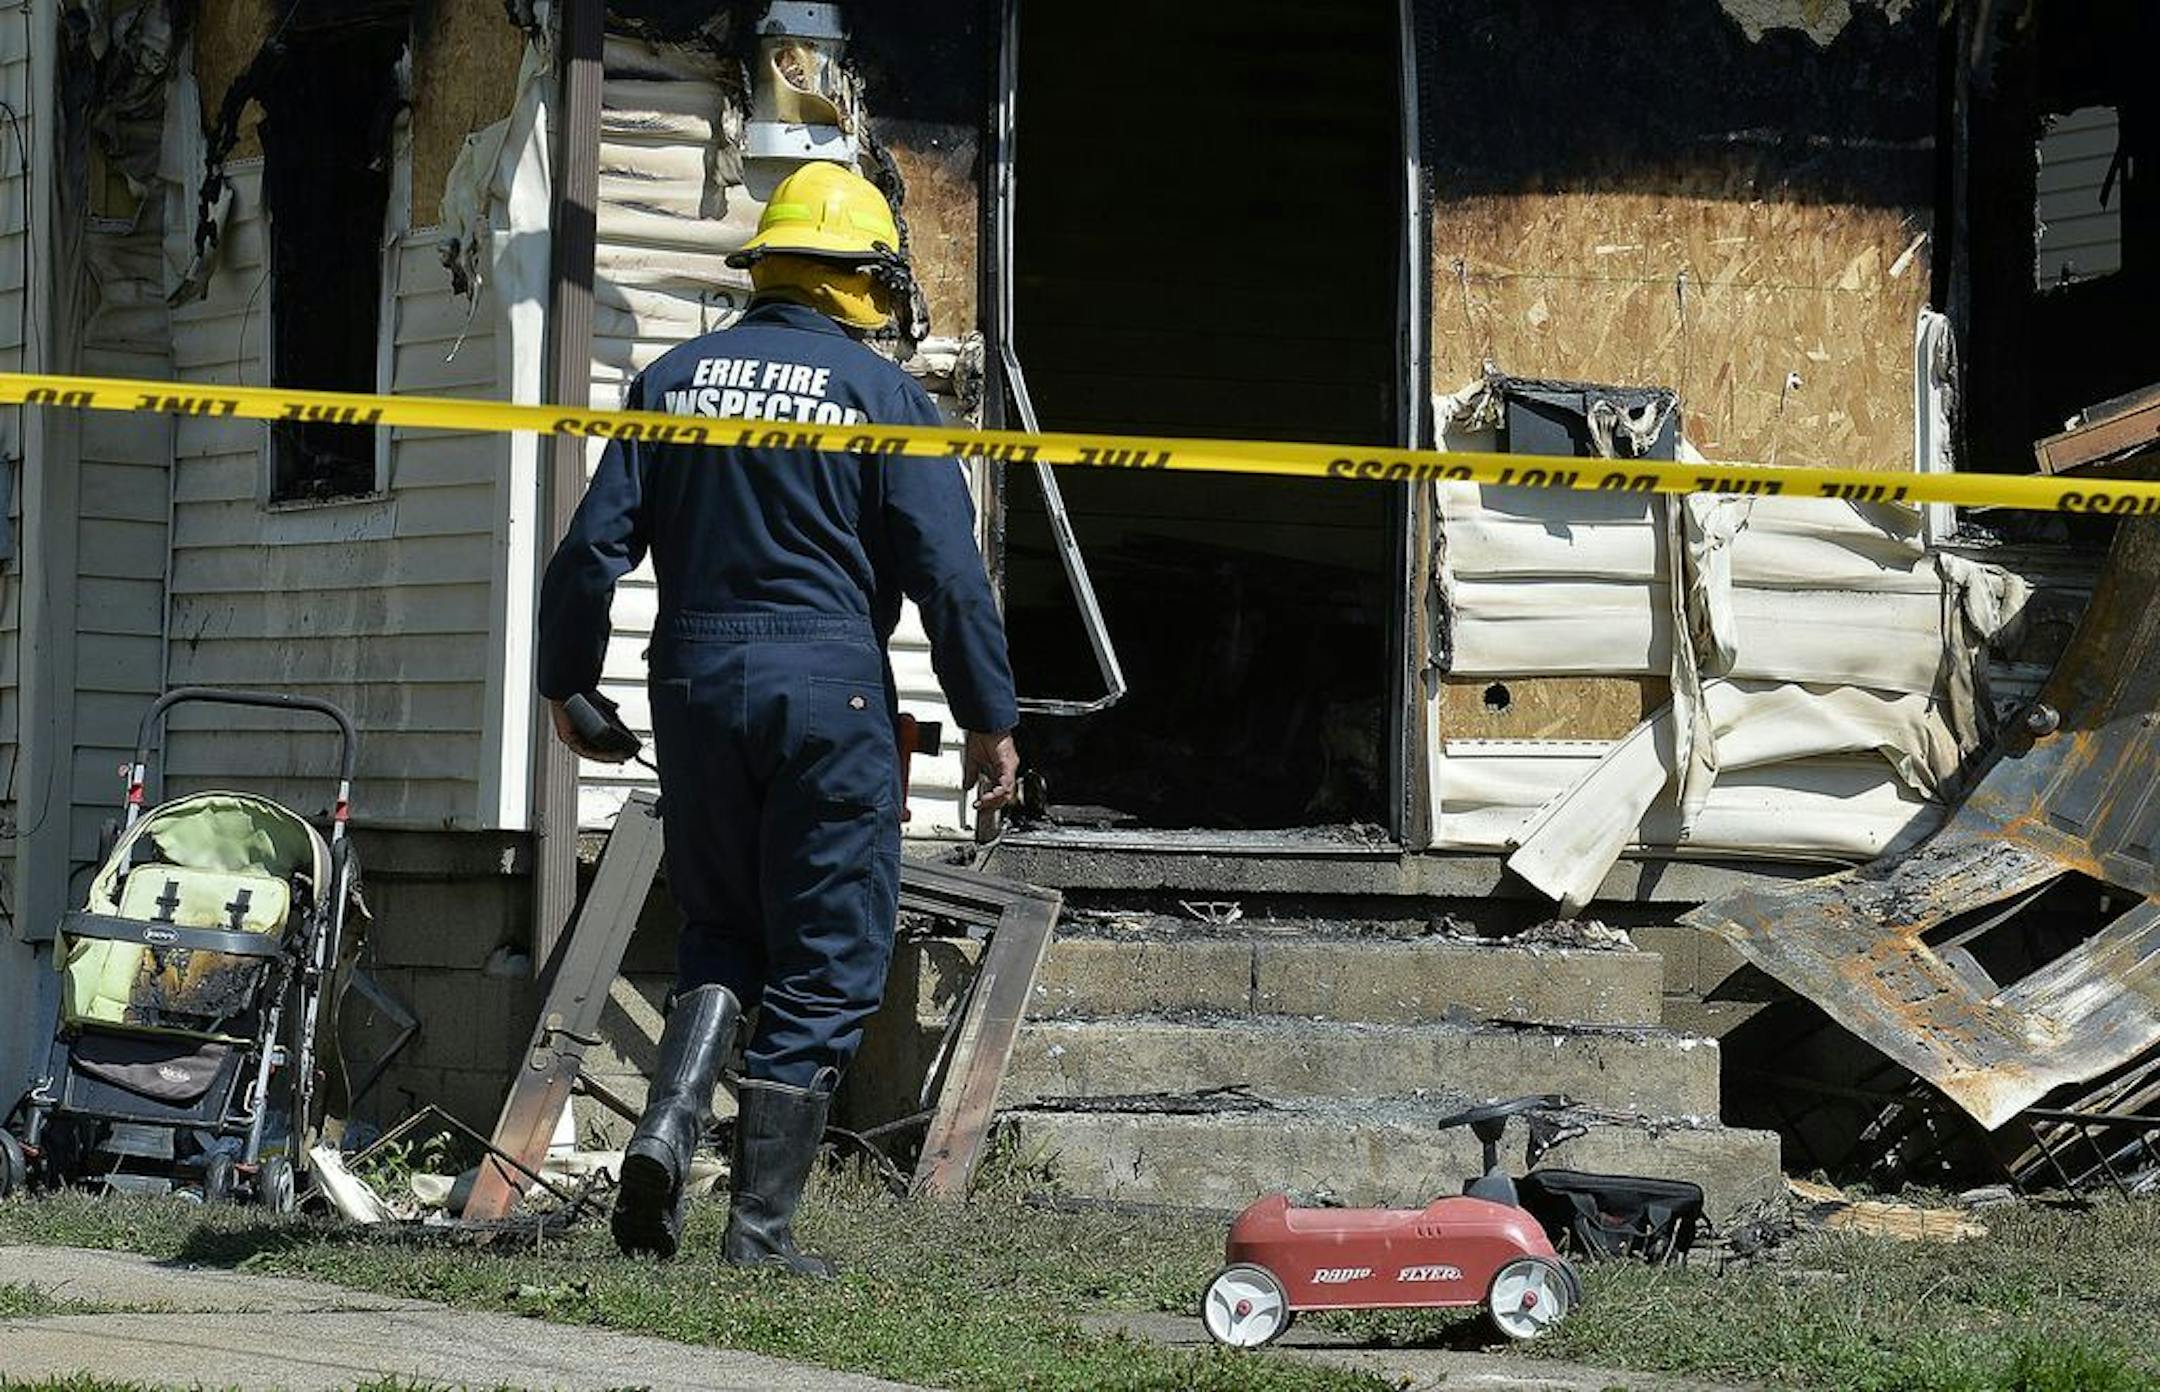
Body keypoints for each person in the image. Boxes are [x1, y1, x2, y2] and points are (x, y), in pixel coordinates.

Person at [535, 161, 1020, 1271]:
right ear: (863, 283)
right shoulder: (885, 400)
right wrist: (989, 717)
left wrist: (570, 685)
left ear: (766, 267)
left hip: (693, 684)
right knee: (828, 956)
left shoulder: (670, 380)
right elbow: (948, 576)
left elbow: (589, 555)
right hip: (826, 684)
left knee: (719, 927)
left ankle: (664, 1124)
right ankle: (759, 1234)